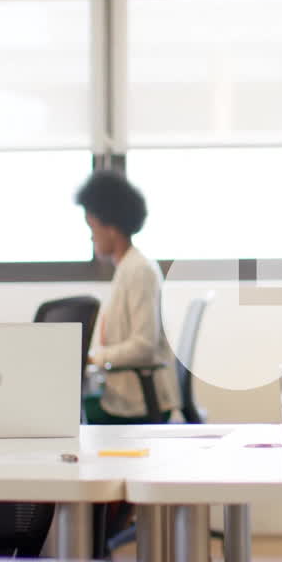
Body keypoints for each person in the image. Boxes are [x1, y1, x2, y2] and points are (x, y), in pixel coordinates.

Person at [75, 169, 180, 424]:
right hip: (127, 397)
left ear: (111, 227)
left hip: (138, 404)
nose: (90, 236)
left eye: (92, 226)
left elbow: (143, 346)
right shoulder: (127, 269)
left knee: (73, 420)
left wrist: (93, 358)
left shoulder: (138, 270)